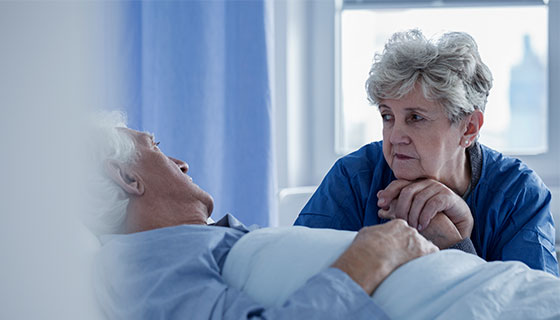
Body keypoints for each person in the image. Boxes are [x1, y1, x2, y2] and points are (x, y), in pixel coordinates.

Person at [86, 112, 438, 319]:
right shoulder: (141, 263)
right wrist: (371, 257)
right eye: (156, 149)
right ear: (129, 178)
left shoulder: (178, 246)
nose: (181, 164)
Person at [294, 29, 559, 276]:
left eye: (416, 118)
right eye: (388, 116)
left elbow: (534, 307)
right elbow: (298, 278)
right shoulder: (353, 178)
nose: (395, 136)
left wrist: (454, 245)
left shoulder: (518, 194)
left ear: (468, 128)